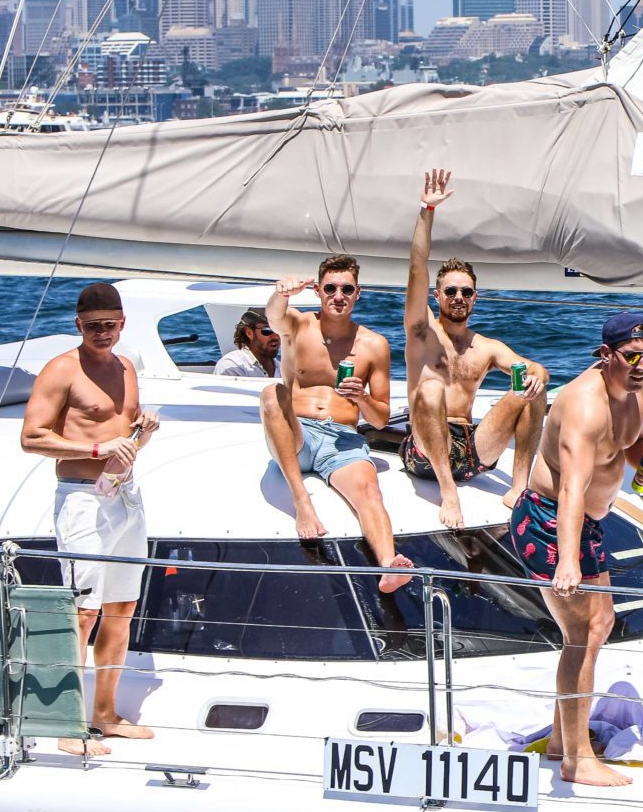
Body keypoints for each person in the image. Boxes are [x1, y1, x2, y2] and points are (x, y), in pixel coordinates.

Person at [510, 311, 643, 788]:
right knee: (582, 629)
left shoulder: (636, 387)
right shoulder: (583, 406)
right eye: (631, 357)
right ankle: (576, 760)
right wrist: (569, 560)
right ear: (605, 356)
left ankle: (563, 740)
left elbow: (630, 441)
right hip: (549, 519)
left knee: (598, 625)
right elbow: (572, 490)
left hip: (588, 523)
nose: (641, 365)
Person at [19, 283, 161, 755]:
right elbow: (32, 437)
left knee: (121, 609)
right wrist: (95, 449)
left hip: (125, 496)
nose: (103, 332)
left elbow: (125, 428)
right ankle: (66, 724)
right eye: (94, 325)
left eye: (111, 324)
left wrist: (143, 429)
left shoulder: (126, 366)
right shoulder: (62, 369)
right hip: (81, 498)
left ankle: (104, 714)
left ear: (123, 323)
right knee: (83, 613)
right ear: (78, 325)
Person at [403, 168, 551, 528]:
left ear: (475, 298)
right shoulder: (421, 330)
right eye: (450, 291)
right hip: (424, 451)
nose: (457, 298)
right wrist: (427, 209)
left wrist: (537, 376)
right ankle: (448, 492)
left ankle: (519, 487)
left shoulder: (486, 347)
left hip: (472, 449)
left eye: (465, 292)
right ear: (437, 295)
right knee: (430, 389)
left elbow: (532, 367)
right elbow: (417, 267)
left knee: (532, 386)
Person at [260, 256, 415, 593]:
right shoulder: (298, 326)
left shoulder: (374, 345)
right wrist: (281, 293)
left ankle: (389, 565)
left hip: (343, 440)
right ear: (317, 290)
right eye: (330, 288)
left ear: (358, 293)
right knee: (272, 394)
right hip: (297, 432)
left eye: (347, 289)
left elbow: (381, 418)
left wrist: (361, 398)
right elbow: (273, 315)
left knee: (370, 493)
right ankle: (303, 503)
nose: (338, 295)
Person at [213, 309, 279, 377]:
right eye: (267, 330)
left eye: (280, 329)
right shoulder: (231, 365)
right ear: (249, 333)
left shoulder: (283, 368)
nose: (276, 337)